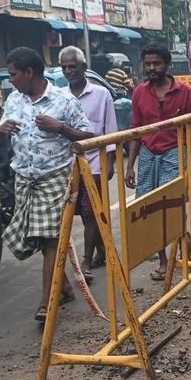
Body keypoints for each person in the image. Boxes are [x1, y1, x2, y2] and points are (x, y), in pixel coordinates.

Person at [0, 47, 93, 323]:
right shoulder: (14, 100)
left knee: (51, 238)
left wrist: (60, 128)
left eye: (13, 74)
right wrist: (0, 133)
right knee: (38, 237)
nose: (10, 79)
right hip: (24, 177)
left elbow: (88, 135)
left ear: (29, 73)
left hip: (54, 176)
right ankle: (61, 287)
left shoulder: (63, 100)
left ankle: (46, 302)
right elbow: (0, 141)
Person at [124, 42, 191, 282]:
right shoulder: (139, 93)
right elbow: (135, 130)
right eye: (148, 64)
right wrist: (129, 166)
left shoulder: (185, 93)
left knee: (173, 204)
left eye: (156, 63)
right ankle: (164, 260)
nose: (152, 68)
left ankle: (179, 246)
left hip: (175, 152)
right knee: (149, 207)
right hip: (147, 154)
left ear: (167, 65)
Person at [58, 46, 117, 281]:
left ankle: (86, 260)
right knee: (82, 213)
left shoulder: (101, 94)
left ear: (83, 67)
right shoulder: (60, 96)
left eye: (72, 66)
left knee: (90, 211)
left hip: (95, 162)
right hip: (69, 164)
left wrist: (110, 162)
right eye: (64, 67)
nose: (68, 71)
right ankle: (102, 252)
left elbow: (110, 129)